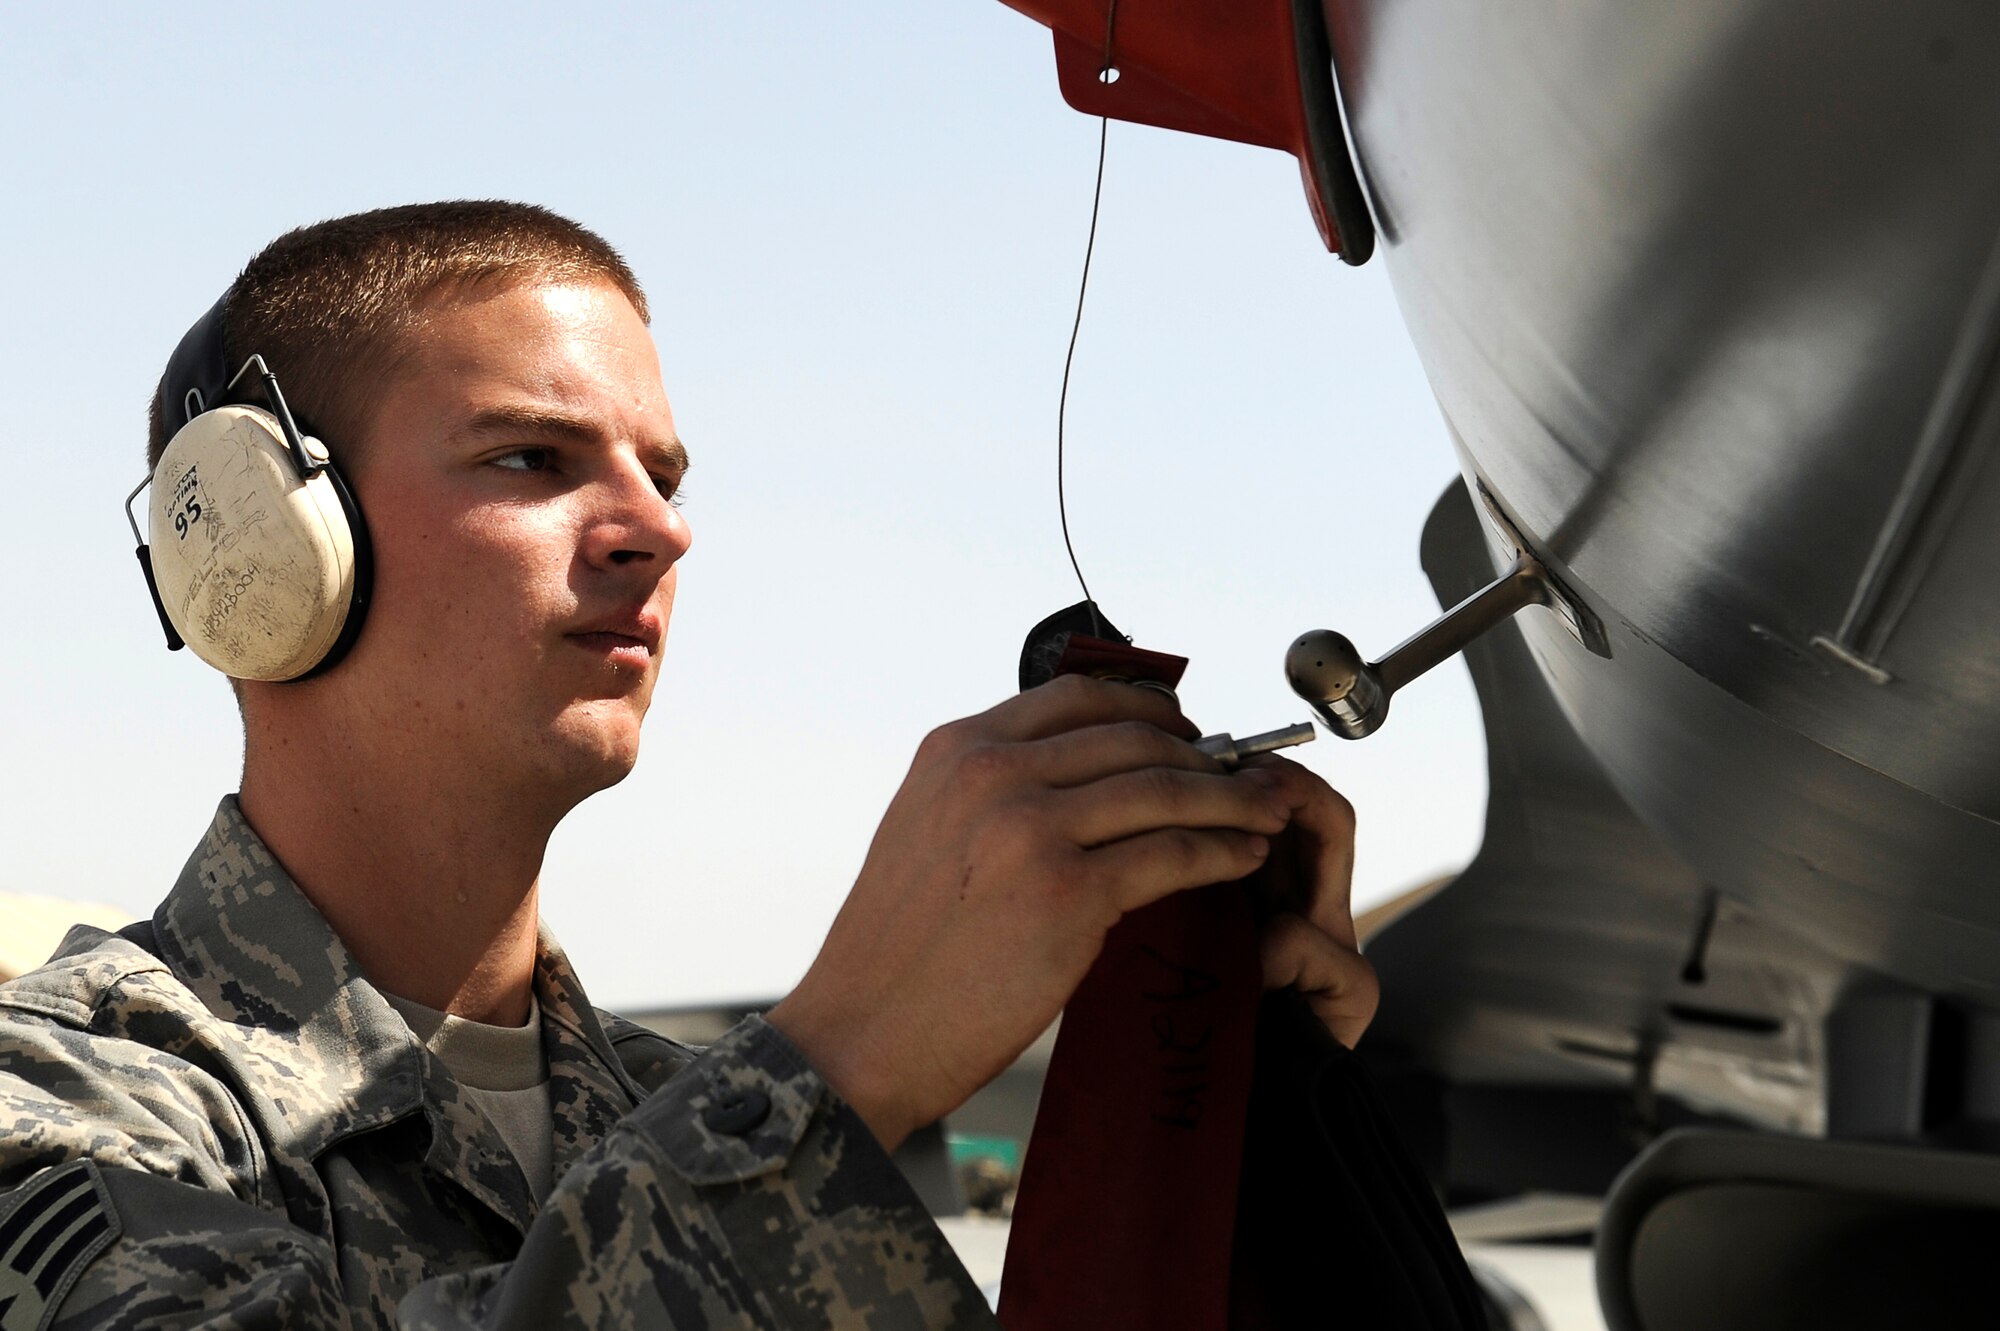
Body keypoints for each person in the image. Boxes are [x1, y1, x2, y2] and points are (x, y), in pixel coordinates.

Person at [0, 202, 1376, 1329]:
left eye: (665, 478)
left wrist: (1208, 1124)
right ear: (253, 549)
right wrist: (829, 1073)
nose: (656, 534)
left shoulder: (675, 1112)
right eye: (534, 458)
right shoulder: (66, 1102)